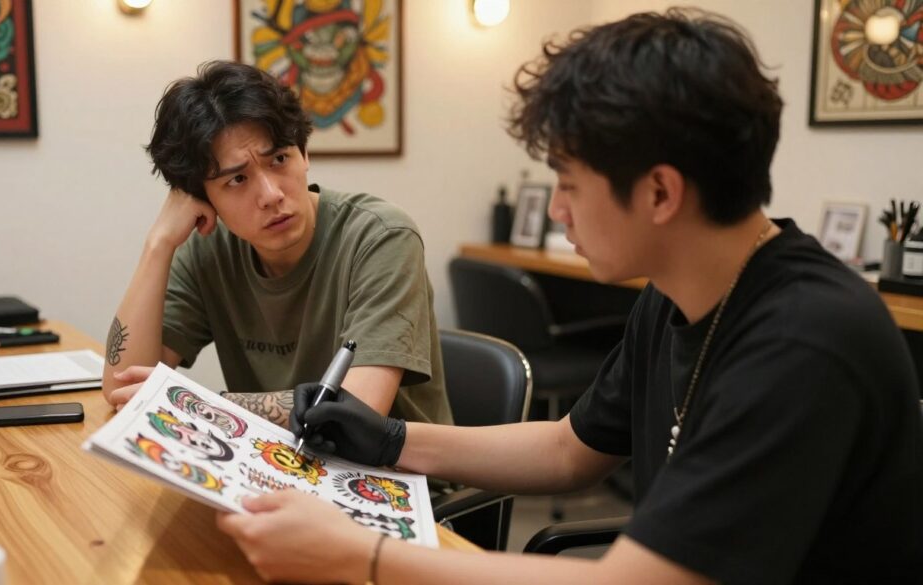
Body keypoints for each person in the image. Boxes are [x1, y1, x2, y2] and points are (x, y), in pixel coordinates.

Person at [216, 9, 923, 584]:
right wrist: (395, 440)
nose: (556, 210)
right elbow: (567, 449)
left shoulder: (805, 340)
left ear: (660, 192)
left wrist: (359, 555)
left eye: (569, 183)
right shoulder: (678, 295)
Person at [101, 61, 451, 430]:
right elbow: (122, 387)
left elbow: (358, 408)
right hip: (270, 457)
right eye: (237, 179)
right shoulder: (210, 250)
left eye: (280, 159)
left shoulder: (381, 237)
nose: (271, 195)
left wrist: (194, 404)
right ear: (203, 198)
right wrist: (159, 243)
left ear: (305, 153)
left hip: (389, 464)